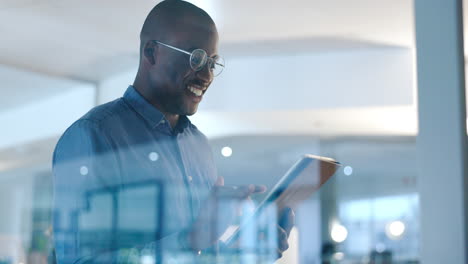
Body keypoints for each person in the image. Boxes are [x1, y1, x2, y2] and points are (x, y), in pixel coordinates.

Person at [52, 1, 293, 263]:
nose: (206, 76)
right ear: (151, 52)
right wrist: (190, 240)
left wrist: (248, 250)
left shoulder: (198, 144)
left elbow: (201, 253)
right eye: (196, 58)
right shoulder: (94, 135)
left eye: (212, 63)